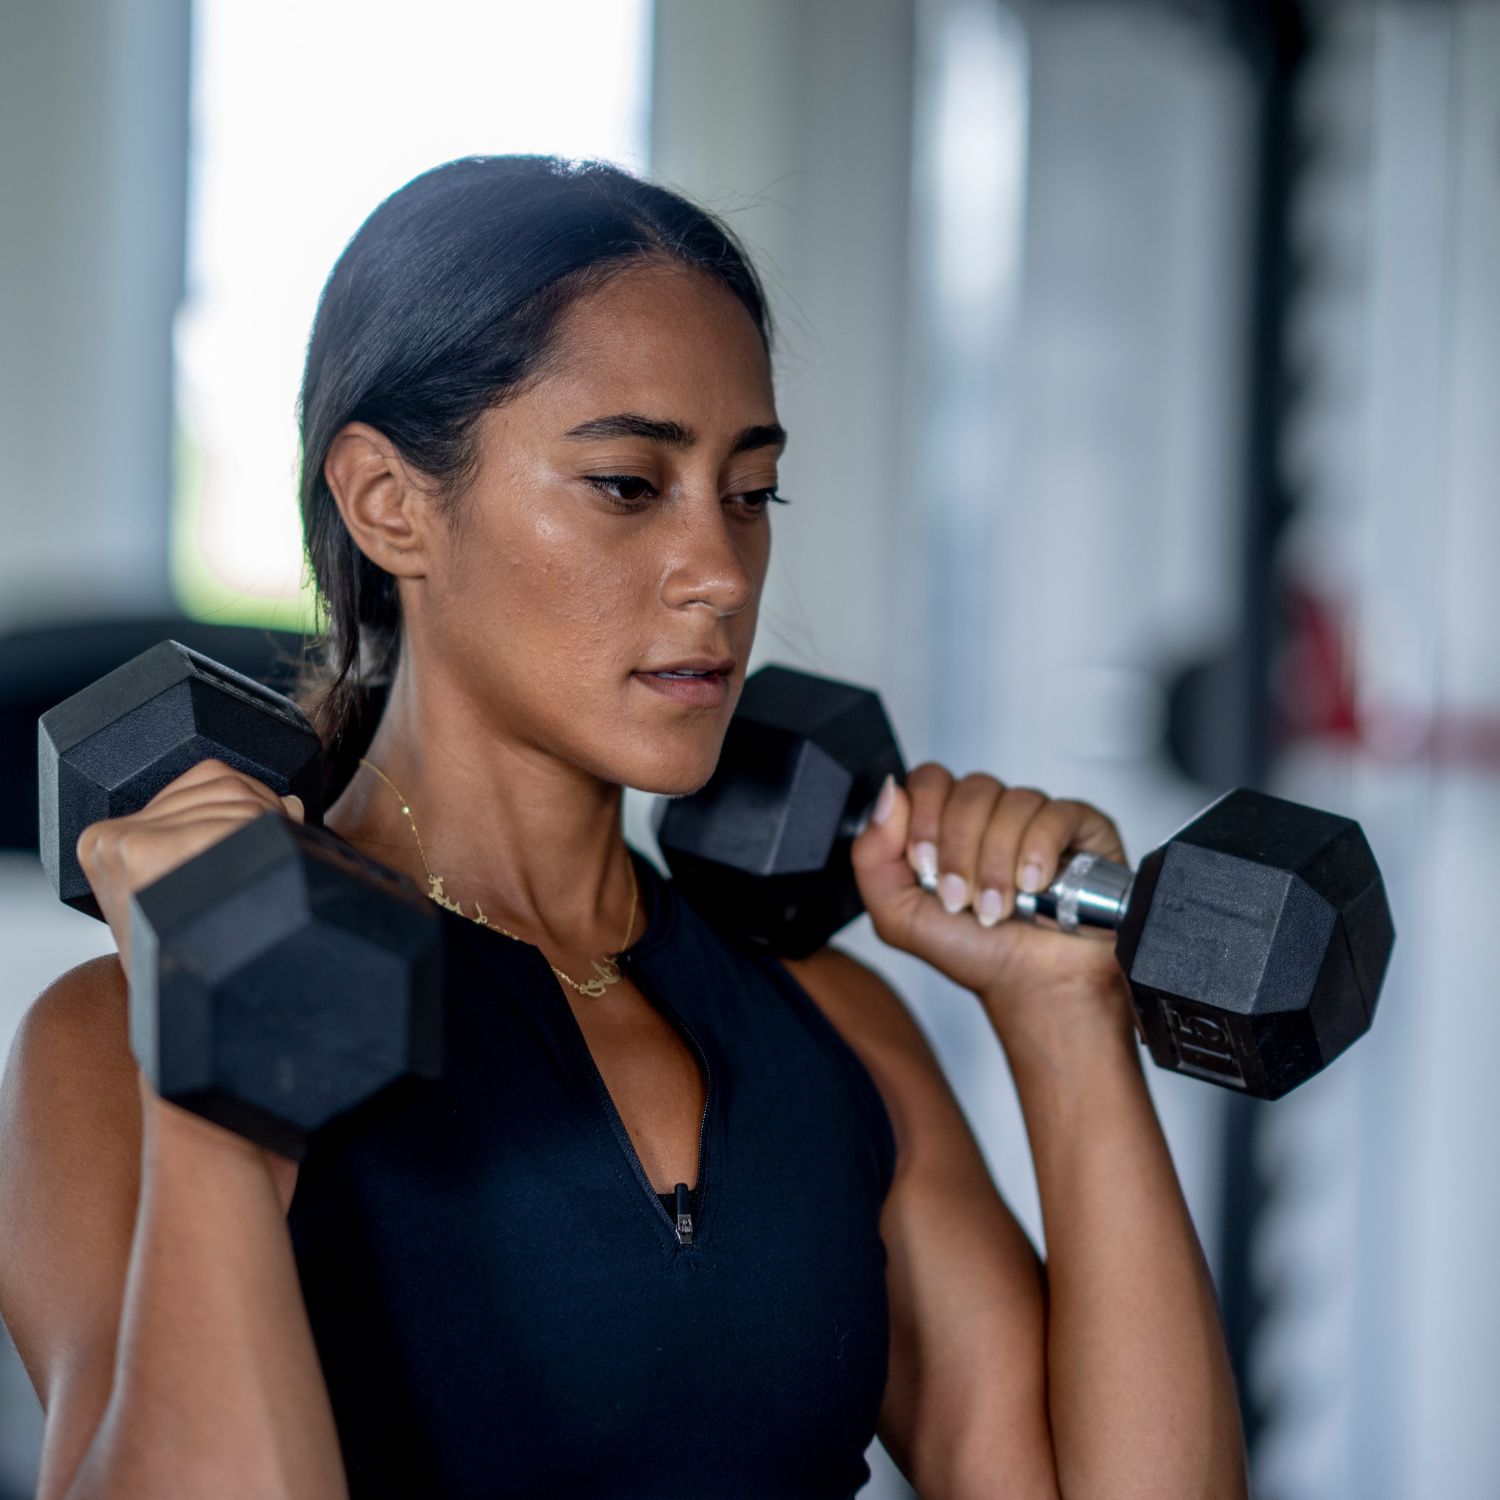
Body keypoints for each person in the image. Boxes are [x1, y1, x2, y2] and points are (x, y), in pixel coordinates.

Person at [0, 156, 1247, 1498]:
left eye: (750, 491)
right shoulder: (114, 1041)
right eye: (627, 484)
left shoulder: (835, 1029)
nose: (719, 570)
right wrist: (225, 1073)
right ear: (389, 503)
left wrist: (1063, 1020)